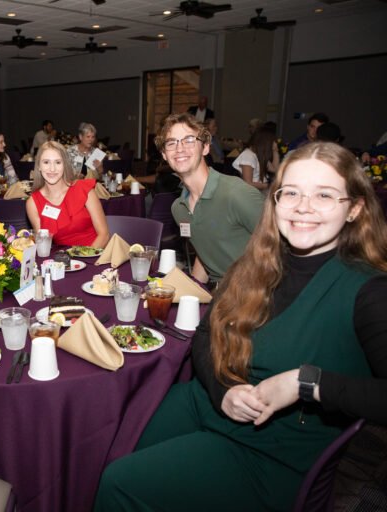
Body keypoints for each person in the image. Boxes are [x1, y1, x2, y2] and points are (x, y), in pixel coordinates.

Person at [95, 141, 387, 511]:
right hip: (208, 401)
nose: (303, 207)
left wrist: (307, 382)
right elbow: (205, 335)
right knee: (109, 445)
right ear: (275, 201)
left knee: (118, 484)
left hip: (265, 448)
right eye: (291, 193)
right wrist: (222, 391)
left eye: (324, 195)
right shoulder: (259, 262)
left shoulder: (368, 290)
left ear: (355, 209)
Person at [161, 113, 264, 284]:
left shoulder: (236, 194)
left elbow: (281, 251)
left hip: (256, 294)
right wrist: (193, 291)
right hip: (220, 294)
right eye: (171, 143)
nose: (179, 149)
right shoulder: (179, 208)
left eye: (189, 140)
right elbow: (205, 253)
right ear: (164, 154)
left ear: (206, 147)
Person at [26, 141, 109, 248]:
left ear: (65, 165)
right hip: (62, 261)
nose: (52, 169)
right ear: (39, 167)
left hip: (96, 254)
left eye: (58, 162)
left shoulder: (84, 190)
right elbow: (43, 246)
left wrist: (85, 256)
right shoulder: (33, 203)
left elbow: (104, 235)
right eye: (46, 162)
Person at [233, 127, 280, 191]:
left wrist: (275, 151)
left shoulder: (259, 155)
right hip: (252, 192)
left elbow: (275, 169)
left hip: (259, 190)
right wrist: (268, 186)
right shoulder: (248, 156)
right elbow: (248, 183)